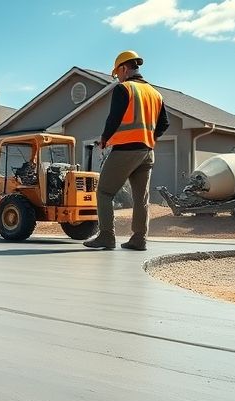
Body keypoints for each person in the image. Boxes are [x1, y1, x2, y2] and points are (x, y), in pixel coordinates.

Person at [83, 50, 169, 251]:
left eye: (117, 73)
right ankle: (139, 239)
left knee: (104, 191)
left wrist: (104, 139)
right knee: (141, 198)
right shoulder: (155, 94)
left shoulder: (124, 89)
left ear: (124, 68)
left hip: (125, 151)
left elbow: (113, 119)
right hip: (147, 152)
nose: (118, 77)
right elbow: (165, 123)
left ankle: (106, 235)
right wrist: (149, 138)